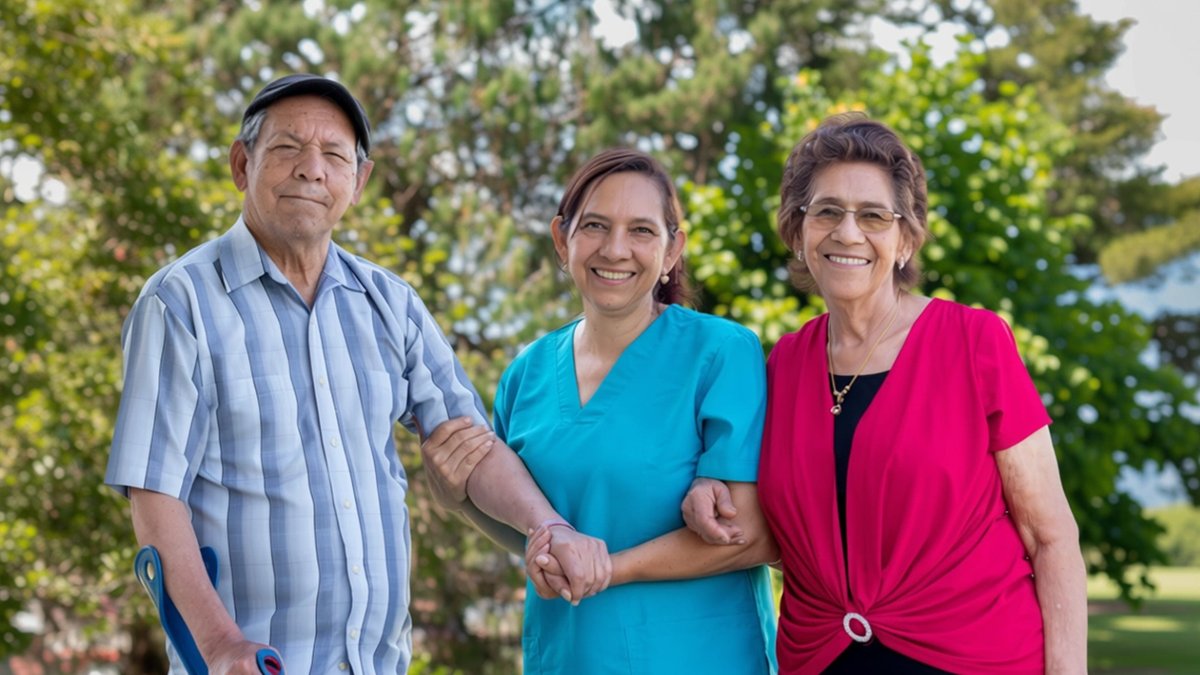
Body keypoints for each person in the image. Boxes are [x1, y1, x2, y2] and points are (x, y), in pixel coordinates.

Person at [105, 73, 609, 675]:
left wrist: (546, 525)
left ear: (358, 181)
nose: (311, 169)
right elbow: (153, 493)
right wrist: (219, 645)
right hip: (251, 666)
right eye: (287, 148)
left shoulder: (389, 304)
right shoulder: (180, 301)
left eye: (334, 155)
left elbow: (469, 448)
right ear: (242, 164)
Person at [683, 113, 1087, 674]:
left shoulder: (975, 342)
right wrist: (711, 478)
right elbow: (777, 526)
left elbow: (1050, 536)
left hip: (975, 657)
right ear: (799, 233)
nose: (848, 233)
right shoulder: (782, 364)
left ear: (905, 239)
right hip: (822, 660)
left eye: (873, 215)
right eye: (826, 212)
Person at [420, 148, 780, 674]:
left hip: (700, 658)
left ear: (672, 249)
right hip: (569, 656)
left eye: (641, 230)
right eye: (594, 225)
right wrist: (459, 500)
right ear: (562, 239)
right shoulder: (527, 374)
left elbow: (745, 534)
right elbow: (536, 531)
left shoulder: (721, 354)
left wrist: (607, 568)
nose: (615, 249)